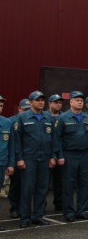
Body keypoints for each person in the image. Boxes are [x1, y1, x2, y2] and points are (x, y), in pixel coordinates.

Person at [14, 91, 58, 228]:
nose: (40, 102)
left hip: (45, 158)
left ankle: (38, 216)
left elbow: (54, 140)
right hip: (29, 159)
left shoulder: (48, 118)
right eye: (37, 100)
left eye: (42, 100)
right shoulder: (22, 117)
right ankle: (25, 217)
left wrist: (53, 156)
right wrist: (19, 158)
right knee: (27, 189)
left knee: (42, 189)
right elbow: (17, 140)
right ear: (31, 102)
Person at [54, 91, 88, 222]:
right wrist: (60, 155)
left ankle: (82, 210)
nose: (80, 102)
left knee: (85, 184)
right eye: (77, 99)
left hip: (85, 154)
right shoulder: (63, 118)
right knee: (68, 184)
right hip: (69, 154)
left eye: (81, 100)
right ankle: (68, 212)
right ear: (71, 102)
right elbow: (58, 138)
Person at [7, 99, 30, 219]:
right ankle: (14, 208)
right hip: (14, 157)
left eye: (28, 109)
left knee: (26, 185)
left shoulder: (30, 119)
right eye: (25, 109)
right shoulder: (11, 121)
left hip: (27, 157)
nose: (26, 111)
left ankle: (24, 208)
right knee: (15, 184)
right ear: (19, 109)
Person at [45, 94, 64, 211]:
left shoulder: (64, 117)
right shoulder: (45, 117)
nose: (58, 104)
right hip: (47, 154)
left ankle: (59, 203)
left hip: (61, 154)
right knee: (44, 183)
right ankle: (42, 206)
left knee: (60, 181)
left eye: (60, 102)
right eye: (56, 102)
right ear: (50, 104)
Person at [0, 95, 14, 230]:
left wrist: (10, 163)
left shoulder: (7, 123)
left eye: (1, 106)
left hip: (1, 162)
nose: (0, 108)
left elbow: (11, 145)